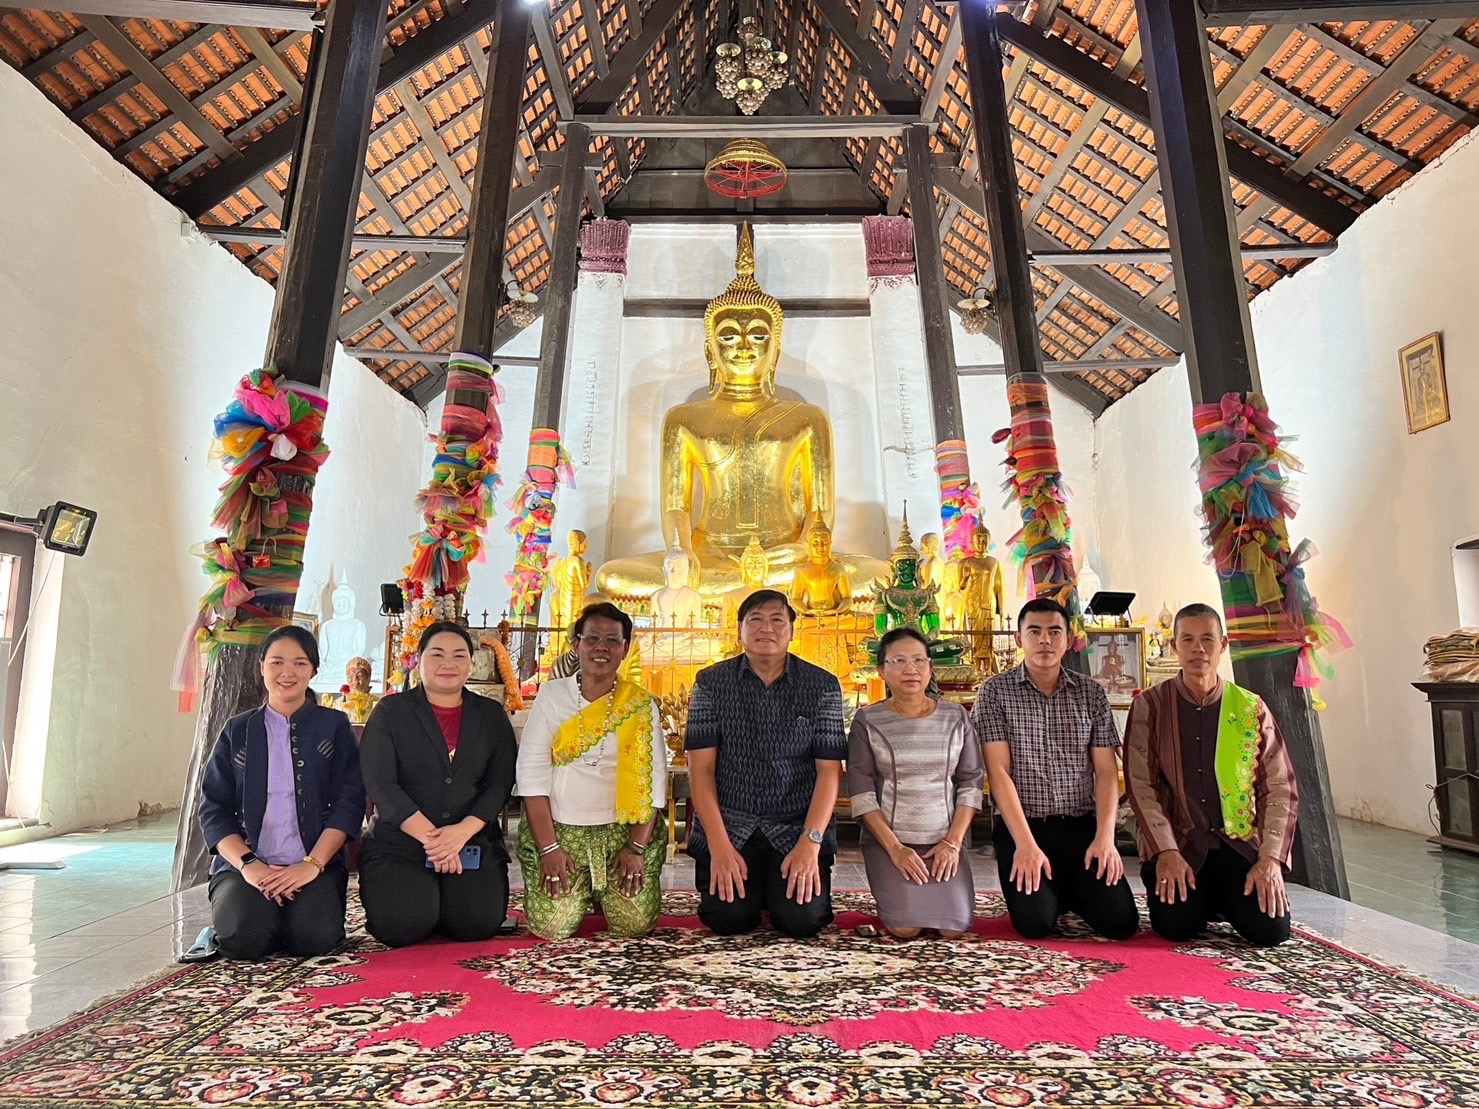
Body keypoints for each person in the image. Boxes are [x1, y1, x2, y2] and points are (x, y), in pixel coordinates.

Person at [1123, 603, 1299, 947]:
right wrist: (1166, 853)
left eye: (1207, 639)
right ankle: (1206, 901)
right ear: (1174, 646)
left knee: (1271, 931)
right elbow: (1141, 786)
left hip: (1238, 847)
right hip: (1181, 846)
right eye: (1187, 639)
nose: (1198, 648)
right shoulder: (1151, 706)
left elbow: (1279, 787)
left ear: (1224, 645)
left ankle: (1222, 900)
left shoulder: (1250, 707)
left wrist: (1270, 859)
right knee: (1176, 926)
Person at [973, 597, 1138, 940]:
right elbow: (998, 773)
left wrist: (1106, 839)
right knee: (1036, 924)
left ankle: (1070, 886)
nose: (1044, 640)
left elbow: (1106, 771)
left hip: (1081, 827)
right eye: (1034, 631)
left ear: (1068, 637)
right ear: (1020, 638)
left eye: (1053, 631)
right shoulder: (995, 693)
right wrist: (1025, 844)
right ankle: (1058, 890)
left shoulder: (1091, 693)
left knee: (1120, 924)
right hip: (1023, 826)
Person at [684, 589, 846, 937]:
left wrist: (810, 842)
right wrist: (719, 845)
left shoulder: (822, 686)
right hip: (732, 825)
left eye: (777, 620)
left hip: (794, 827)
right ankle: (758, 893)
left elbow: (829, 771)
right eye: (755, 620)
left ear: (791, 630)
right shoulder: (711, 683)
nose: (766, 628)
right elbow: (701, 770)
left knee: (802, 922)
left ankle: (774, 893)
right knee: (728, 920)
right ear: (739, 629)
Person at [198, 625, 365, 960]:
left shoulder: (333, 727)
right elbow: (213, 809)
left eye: (300, 664)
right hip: (247, 865)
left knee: (315, 939)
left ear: (314, 671)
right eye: (276, 662)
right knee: (243, 940)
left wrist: (312, 864)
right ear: (261, 667)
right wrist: (250, 866)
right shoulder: (238, 730)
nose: (287, 672)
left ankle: (292, 914)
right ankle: (248, 916)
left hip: (312, 863)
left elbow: (349, 803)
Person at [358, 621, 517, 946]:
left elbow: (500, 783)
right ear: (418, 660)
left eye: (459, 655)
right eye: (438, 654)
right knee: (402, 924)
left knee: (475, 924)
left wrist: (459, 834)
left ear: (471, 663)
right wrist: (435, 842)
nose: (449, 663)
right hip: (401, 843)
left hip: (470, 841)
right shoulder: (391, 712)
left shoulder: (491, 715)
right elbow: (380, 783)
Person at [516, 602, 667, 940]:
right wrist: (549, 849)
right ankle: (585, 889)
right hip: (562, 832)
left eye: (613, 641)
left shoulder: (640, 704)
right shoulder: (553, 696)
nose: (602, 647)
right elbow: (531, 774)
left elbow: (655, 782)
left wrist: (636, 849)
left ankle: (605, 891)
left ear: (625, 649)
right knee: (551, 928)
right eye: (592, 638)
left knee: (635, 926)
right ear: (576, 644)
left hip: (622, 834)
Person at [848, 627, 983, 938]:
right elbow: (862, 791)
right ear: (882, 670)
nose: (911, 669)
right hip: (891, 842)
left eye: (919, 660)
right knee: (905, 929)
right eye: (898, 661)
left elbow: (971, 783)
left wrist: (953, 843)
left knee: (954, 928)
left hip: (944, 841)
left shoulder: (956, 718)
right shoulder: (868, 721)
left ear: (930, 667)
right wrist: (895, 849)